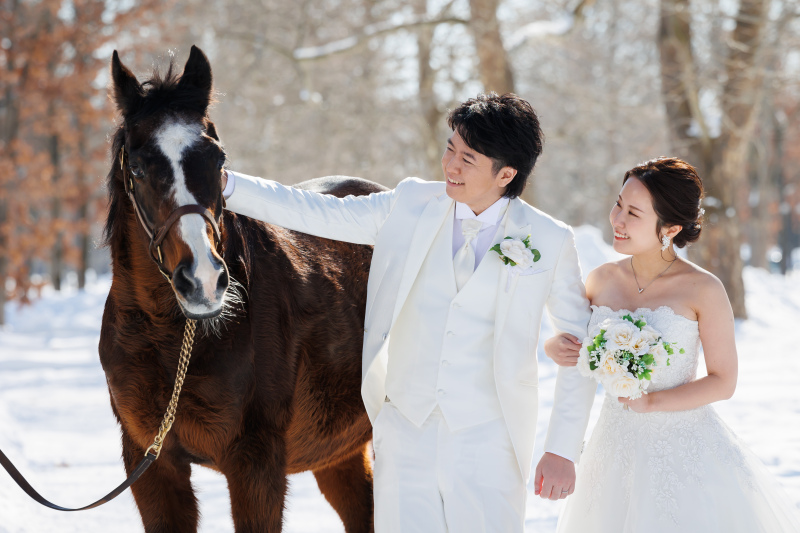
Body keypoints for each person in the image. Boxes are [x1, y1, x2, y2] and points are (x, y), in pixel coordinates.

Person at [220, 93, 596, 532]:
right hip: (404, 434)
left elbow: (579, 351)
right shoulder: (410, 204)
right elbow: (317, 211)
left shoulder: (549, 240)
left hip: (490, 441)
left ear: (506, 174)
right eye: (449, 149)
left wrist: (563, 450)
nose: (450, 165)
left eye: (467, 159)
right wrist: (226, 185)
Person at [546, 156, 800, 532]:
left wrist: (653, 402)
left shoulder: (703, 289)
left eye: (634, 213)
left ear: (670, 228)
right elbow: (589, 351)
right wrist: (558, 348)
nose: (617, 219)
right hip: (612, 447)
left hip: (684, 449)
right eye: (619, 204)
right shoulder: (601, 280)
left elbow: (723, 380)